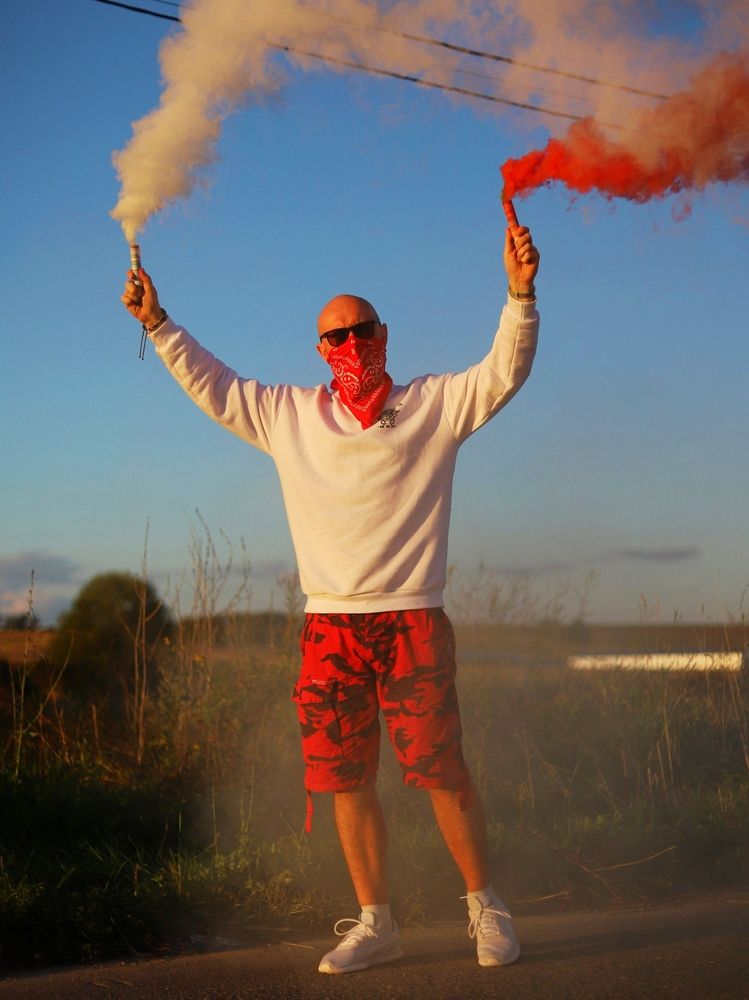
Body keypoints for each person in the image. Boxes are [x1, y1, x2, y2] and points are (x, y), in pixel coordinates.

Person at [121, 219, 540, 974]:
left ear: (384, 335)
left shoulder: (435, 404)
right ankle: (377, 924)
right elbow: (216, 386)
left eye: (363, 330)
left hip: (412, 617)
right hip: (330, 626)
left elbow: (503, 372)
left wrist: (519, 295)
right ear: (321, 350)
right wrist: (158, 322)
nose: (352, 344)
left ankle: (487, 907)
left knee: (441, 769)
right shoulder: (289, 415)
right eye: (336, 336)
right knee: (344, 778)